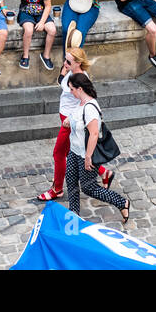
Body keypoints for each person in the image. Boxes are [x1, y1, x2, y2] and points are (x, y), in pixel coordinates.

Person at [34, 43, 116, 201]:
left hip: (70, 122)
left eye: (68, 62)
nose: (65, 64)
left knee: (59, 154)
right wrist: (64, 70)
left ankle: (57, 189)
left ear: (78, 63)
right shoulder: (71, 72)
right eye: (64, 60)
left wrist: (71, 119)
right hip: (66, 119)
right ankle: (104, 173)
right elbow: (62, 83)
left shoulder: (80, 79)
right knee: (74, 151)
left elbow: (87, 100)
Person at [63, 73, 131, 222]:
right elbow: (77, 117)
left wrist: (88, 157)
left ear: (79, 89)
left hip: (86, 154)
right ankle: (74, 214)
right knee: (71, 181)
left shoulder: (90, 108)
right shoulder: (80, 103)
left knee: (89, 187)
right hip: (74, 151)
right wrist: (69, 120)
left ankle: (122, 203)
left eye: (72, 89)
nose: (70, 92)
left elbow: (94, 133)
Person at [16, 0, 57, 71]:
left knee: (52, 30)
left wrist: (42, 22)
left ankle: (46, 55)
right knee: (29, 30)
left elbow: (48, 6)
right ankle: (25, 56)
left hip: (40, 12)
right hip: (26, 10)